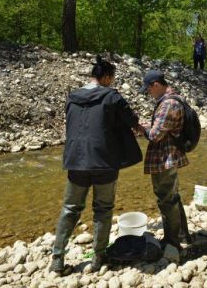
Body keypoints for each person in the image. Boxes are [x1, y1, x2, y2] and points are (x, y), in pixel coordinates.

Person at [49, 56, 142, 275]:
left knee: (70, 208)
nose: (112, 82)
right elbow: (132, 120)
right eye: (112, 78)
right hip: (104, 162)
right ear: (107, 77)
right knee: (103, 209)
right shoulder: (112, 96)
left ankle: (57, 259)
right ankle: (98, 257)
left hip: (76, 160)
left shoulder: (72, 97)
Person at [137, 70, 189, 261]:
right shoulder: (172, 100)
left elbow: (155, 135)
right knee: (172, 197)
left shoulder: (168, 104)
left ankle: (172, 241)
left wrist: (140, 128)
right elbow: (162, 128)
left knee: (166, 199)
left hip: (165, 159)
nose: (149, 93)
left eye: (149, 89)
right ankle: (182, 236)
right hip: (168, 157)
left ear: (156, 85)